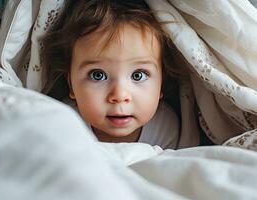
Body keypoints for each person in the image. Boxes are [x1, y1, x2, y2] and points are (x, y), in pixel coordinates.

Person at [41, 0, 185, 148]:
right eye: (97, 75)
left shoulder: (165, 128)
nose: (119, 96)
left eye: (138, 75)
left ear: (161, 83)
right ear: (71, 84)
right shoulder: (65, 125)